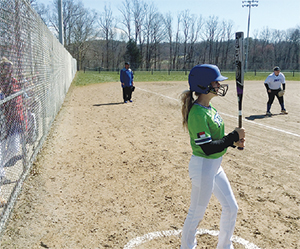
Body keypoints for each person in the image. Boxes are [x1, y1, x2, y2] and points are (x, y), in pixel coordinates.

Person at [180, 64, 245, 249]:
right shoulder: (198, 113)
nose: (219, 85)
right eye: (216, 81)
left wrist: (233, 142)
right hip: (203, 167)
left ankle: (225, 246)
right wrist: (233, 136)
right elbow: (208, 148)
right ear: (203, 85)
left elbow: (218, 140)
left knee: (231, 207)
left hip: (215, 166)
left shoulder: (210, 109)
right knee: (196, 214)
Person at [0, 57, 25, 207]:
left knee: (14, 148)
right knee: (6, 148)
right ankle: (1, 171)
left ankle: (1, 169)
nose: (9, 70)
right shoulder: (2, 82)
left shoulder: (14, 81)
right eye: (6, 67)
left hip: (15, 118)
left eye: (10, 67)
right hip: (6, 120)